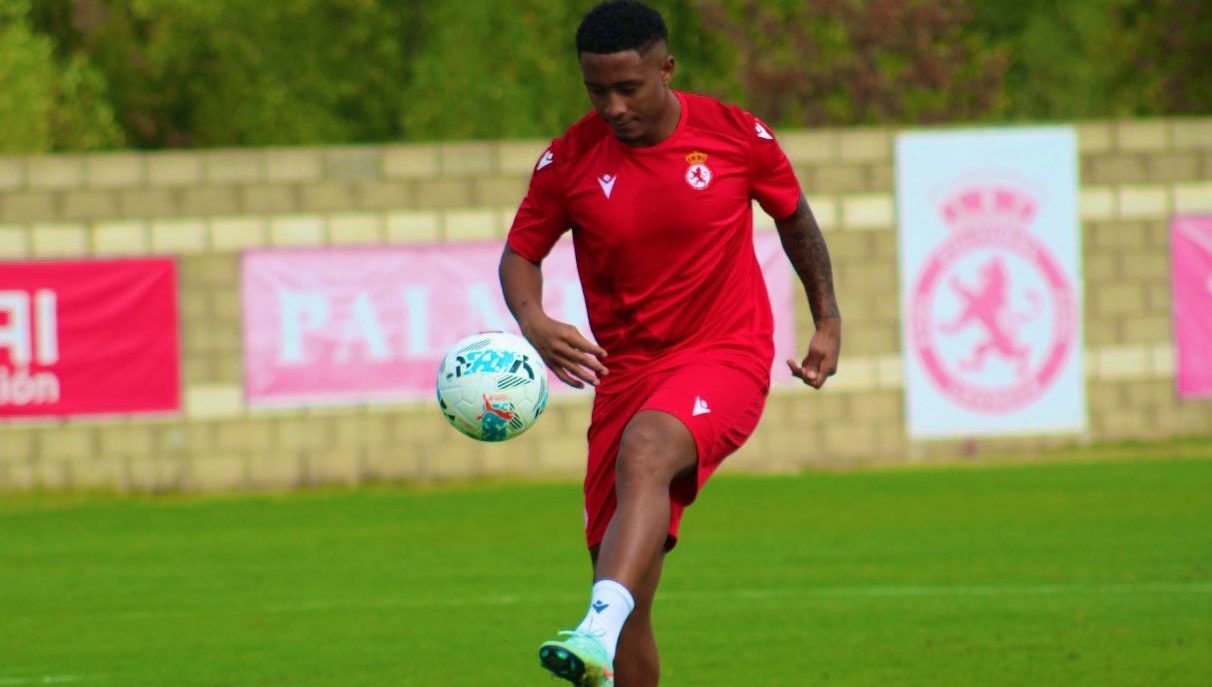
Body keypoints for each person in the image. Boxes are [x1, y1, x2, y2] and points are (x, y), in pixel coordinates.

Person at [499, 1, 841, 684]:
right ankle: (606, 626)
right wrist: (534, 323)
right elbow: (519, 254)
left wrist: (827, 317)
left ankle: (594, 622)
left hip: (726, 353)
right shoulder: (568, 160)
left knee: (648, 449)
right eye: (597, 91)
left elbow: (794, 218)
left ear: (666, 68)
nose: (614, 107)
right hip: (624, 375)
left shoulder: (735, 134)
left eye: (630, 87)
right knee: (630, 597)